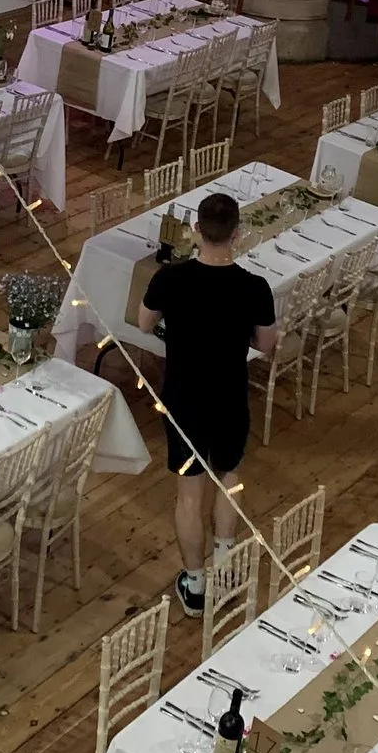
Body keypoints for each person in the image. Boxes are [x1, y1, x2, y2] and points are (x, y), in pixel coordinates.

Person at [133, 190, 279, 617]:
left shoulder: (170, 279)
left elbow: (144, 323)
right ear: (236, 234)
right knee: (230, 477)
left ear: (196, 230)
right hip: (230, 396)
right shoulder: (255, 287)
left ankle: (195, 585)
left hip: (184, 400)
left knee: (189, 494)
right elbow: (265, 343)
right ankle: (228, 567)